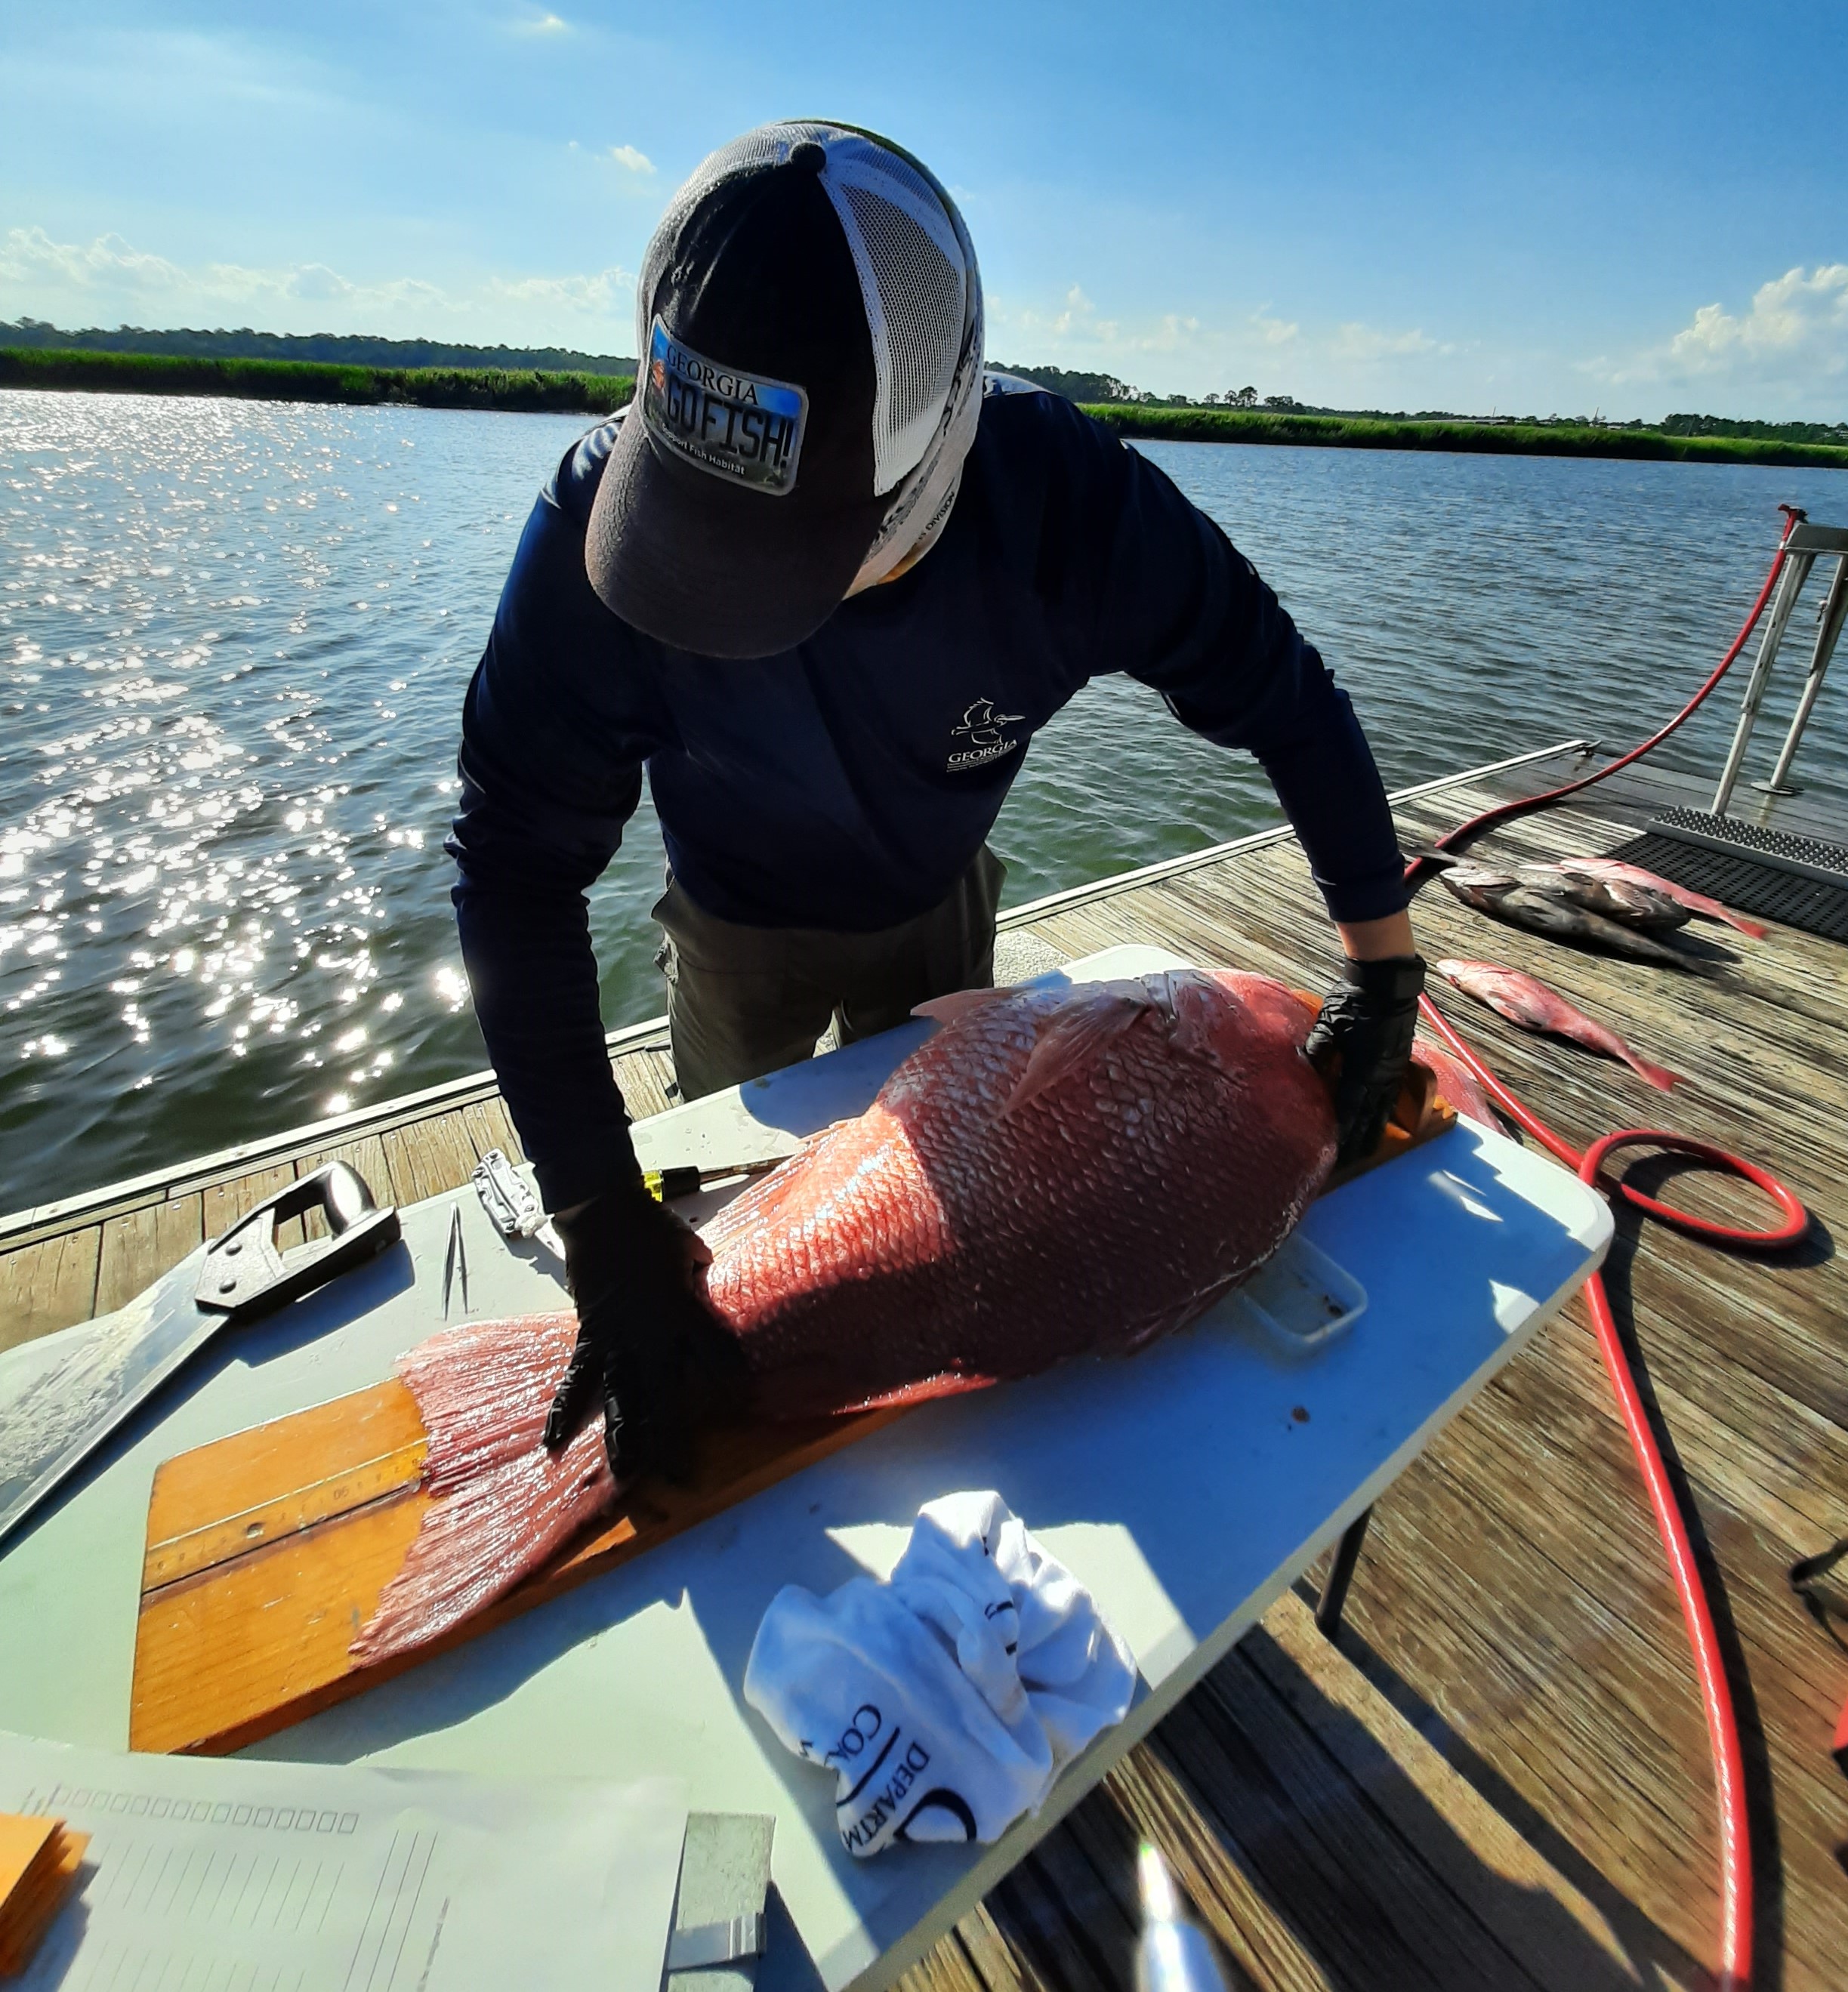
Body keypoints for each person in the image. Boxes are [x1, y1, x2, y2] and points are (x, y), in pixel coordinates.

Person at [448, 120, 1423, 1488]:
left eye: (774, 563)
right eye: (691, 539)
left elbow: (1287, 699)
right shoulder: (585, 523)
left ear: (938, 446)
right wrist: (603, 1221)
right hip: (730, 923)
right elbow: (514, 865)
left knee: (967, 1235)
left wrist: (1385, 971)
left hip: (937, 900)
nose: (729, 607)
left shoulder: (1070, 509)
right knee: (747, 1238)